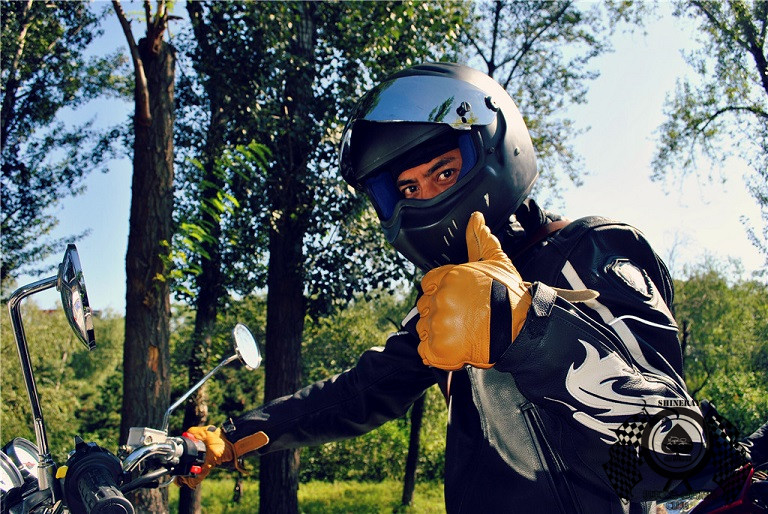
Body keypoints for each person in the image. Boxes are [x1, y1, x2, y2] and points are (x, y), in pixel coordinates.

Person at [178, 63, 766, 513]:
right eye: (406, 189)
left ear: (497, 149)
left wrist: (528, 328)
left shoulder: (590, 251)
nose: (424, 198)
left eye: (443, 171)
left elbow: (679, 454)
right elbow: (357, 393)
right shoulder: (447, 306)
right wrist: (231, 437)